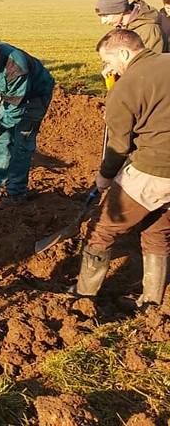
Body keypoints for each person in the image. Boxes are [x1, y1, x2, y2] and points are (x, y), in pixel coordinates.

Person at [72, 29, 170, 307]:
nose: (109, 68)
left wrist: (104, 177)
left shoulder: (126, 88)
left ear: (125, 53)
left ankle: (84, 297)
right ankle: (152, 301)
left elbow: (118, 145)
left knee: (103, 229)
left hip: (154, 169)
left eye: (110, 61)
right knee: (157, 230)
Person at [0, 36, 55, 204]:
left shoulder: (17, 67)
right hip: (11, 96)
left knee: (21, 144)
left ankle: (16, 192)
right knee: (2, 140)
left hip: (33, 98)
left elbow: (17, 107)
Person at [94, 0, 166, 54]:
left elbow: (150, 63)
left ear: (120, 11)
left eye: (106, 16)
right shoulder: (122, 26)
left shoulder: (149, 30)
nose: (103, 21)